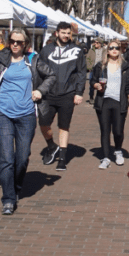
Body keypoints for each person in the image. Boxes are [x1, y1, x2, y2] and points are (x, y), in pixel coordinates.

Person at [0, 29, 54, 214]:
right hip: (2, 113)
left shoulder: (32, 61)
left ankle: (16, 187)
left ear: (25, 44)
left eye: (19, 42)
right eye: (12, 41)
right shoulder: (1, 60)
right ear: (9, 42)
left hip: (26, 115)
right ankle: (8, 199)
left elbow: (51, 75)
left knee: (22, 157)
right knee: (6, 158)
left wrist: (40, 91)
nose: (15, 45)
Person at [37, 21, 87, 172]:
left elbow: (81, 73)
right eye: (63, 32)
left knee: (63, 126)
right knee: (43, 123)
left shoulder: (77, 51)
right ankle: (52, 146)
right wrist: (38, 90)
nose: (66, 35)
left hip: (67, 93)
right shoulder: (46, 50)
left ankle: (62, 158)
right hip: (48, 94)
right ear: (57, 33)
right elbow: (39, 71)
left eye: (68, 33)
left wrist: (79, 92)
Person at [90, 40, 129, 169]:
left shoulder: (125, 66)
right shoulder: (100, 66)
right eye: (111, 48)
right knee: (105, 130)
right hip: (103, 101)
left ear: (120, 50)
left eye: (117, 48)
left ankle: (118, 150)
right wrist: (96, 85)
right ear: (107, 50)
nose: (114, 50)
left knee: (118, 131)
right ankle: (105, 158)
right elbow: (92, 80)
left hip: (119, 102)